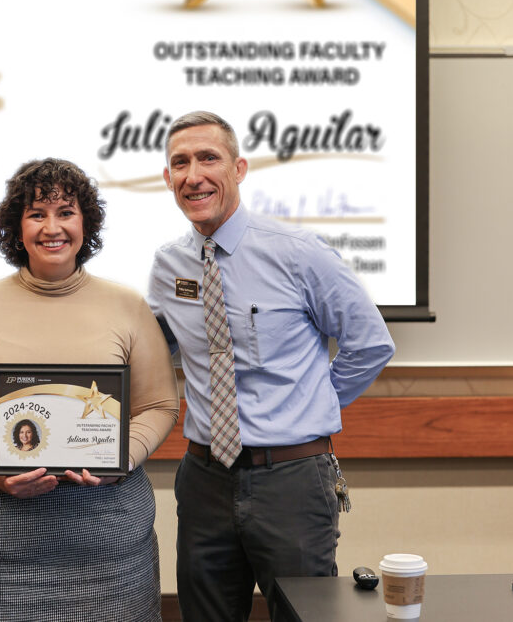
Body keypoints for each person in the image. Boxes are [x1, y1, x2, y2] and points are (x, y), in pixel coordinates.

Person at [148, 111, 395, 621]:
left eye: (208, 158)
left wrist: (309, 405)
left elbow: (369, 343)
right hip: (203, 478)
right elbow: (153, 351)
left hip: (292, 479)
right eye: (180, 163)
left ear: (238, 168)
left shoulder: (299, 253)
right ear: (167, 179)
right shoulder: (168, 265)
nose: (194, 174)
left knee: (304, 616)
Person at [0, 158, 180, 621]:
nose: (53, 227)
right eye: (36, 214)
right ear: (16, 227)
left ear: (85, 222)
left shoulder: (127, 305)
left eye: (66, 212)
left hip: (110, 552)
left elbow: (160, 404)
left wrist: (121, 457)